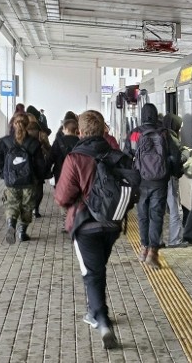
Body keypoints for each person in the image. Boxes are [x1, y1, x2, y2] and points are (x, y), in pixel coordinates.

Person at [54, 110, 126, 349]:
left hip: (85, 225)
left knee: (92, 274)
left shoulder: (75, 158)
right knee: (98, 269)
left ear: (81, 132)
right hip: (112, 224)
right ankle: (95, 311)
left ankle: (101, 320)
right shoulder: (115, 154)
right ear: (104, 129)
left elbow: (63, 197)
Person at [123, 103, 182, 268]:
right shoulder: (164, 133)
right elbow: (175, 155)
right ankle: (153, 252)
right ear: (156, 116)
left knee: (142, 214)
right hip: (160, 180)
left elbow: (127, 155)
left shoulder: (135, 134)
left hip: (141, 180)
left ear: (142, 116)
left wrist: (131, 176)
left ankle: (143, 249)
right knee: (156, 215)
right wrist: (175, 172)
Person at [0, 113, 46, 243]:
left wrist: (4, 175)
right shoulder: (34, 143)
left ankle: (11, 224)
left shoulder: (5, 142)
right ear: (27, 125)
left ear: (13, 124)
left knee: (11, 204)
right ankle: (22, 232)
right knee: (27, 207)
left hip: (11, 182)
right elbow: (40, 164)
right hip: (29, 182)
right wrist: (38, 179)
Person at [162, 113, 187, 247]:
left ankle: (155, 241)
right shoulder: (171, 137)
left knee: (157, 210)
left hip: (157, 177)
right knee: (175, 210)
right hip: (170, 177)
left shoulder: (159, 134)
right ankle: (175, 240)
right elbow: (177, 159)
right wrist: (185, 154)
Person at [26, 120, 51, 218]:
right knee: (39, 189)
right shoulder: (42, 135)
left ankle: (29, 208)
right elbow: (49, 149)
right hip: (39, 164)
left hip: (27, 165)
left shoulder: (24, 135)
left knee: (28, 188)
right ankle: (35, 209)